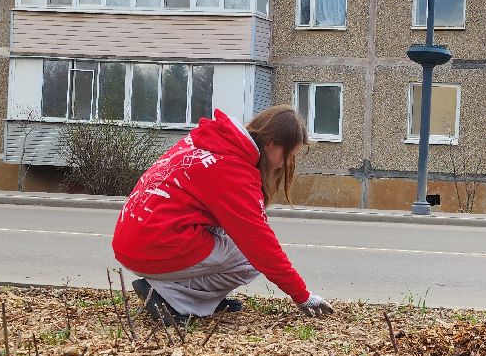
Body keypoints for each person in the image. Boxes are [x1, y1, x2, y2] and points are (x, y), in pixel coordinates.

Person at [112, 105, 334, 324]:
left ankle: (189, 297)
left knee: (232, 239)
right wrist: (302, 296)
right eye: (288, 156)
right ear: (271, 144)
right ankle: (167, 296)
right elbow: (261, 246)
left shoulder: (209, 143)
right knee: (249, 260)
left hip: (132, 240)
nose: (285, 164)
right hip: (154, 245)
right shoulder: (234, 171)